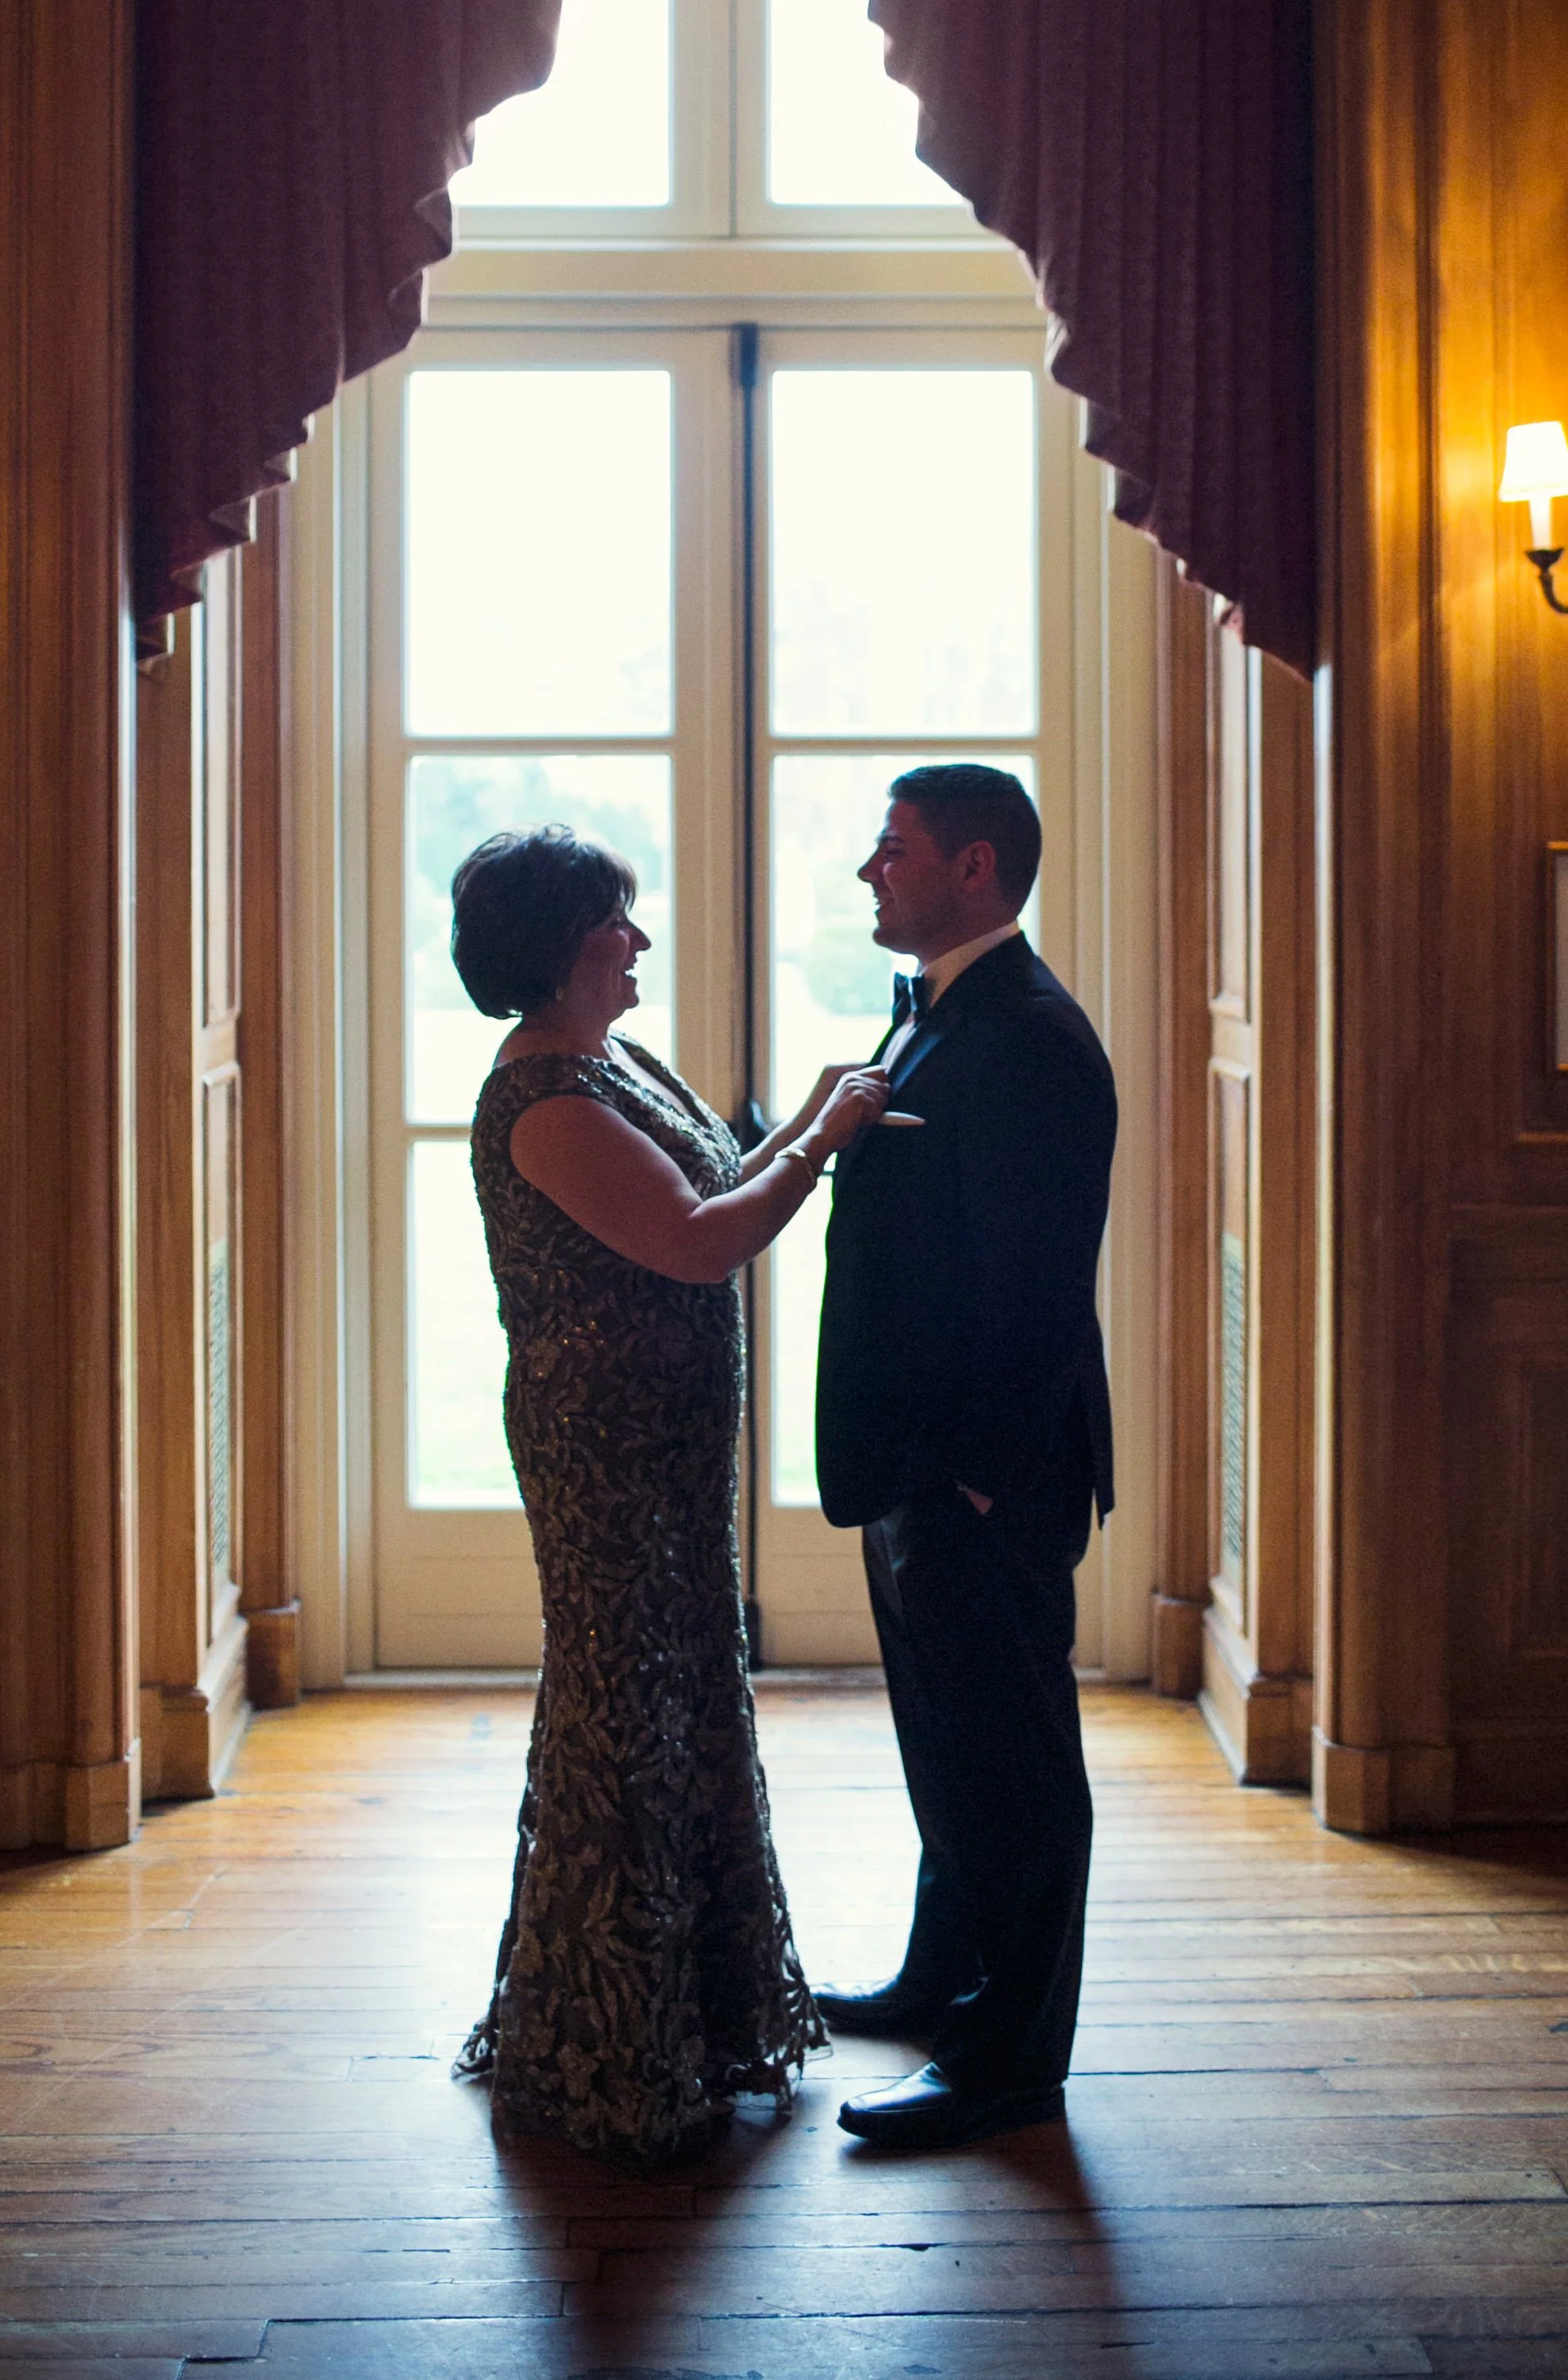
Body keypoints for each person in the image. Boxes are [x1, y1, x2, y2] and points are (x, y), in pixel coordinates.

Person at [449, 823, 890, 2169]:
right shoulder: (546, 1098)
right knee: (622, 1715)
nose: (638, 943)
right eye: (616, 926)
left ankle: (702, 2013)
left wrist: (808, 1119)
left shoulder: (612, 1060)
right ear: (562, 949)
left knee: (684, 1695)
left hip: (669, 1449)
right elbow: (702, 1245)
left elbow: (713, 1173)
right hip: (605, 1457)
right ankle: (605, 2039)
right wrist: (824, 1137)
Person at [811, 765, 1118, 2152]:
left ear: (975, 867)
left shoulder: (1036, 1039)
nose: (870, 873)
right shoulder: (939, 1008)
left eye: (894, 851)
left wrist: (983, 1473)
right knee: (946, 1740)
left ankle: (1009, 2060)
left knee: (1019, 1767)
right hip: (917, 1461)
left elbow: (1043, 1281)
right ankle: (944, 1980)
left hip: (985, 1472)